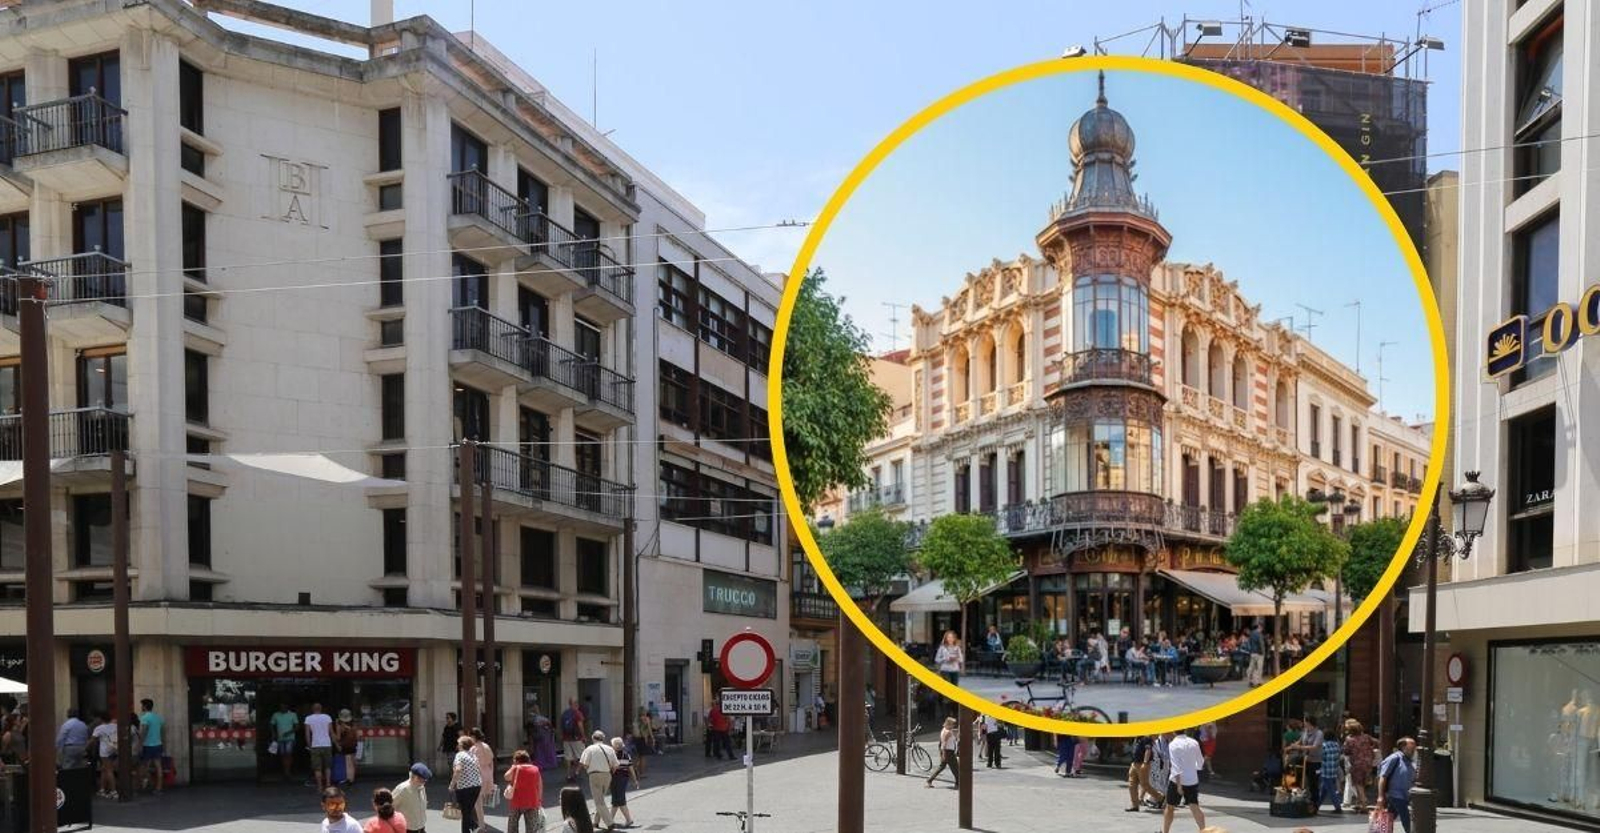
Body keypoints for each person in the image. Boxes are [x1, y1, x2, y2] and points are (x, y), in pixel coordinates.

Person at [1161, 731, 1206, 833]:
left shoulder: (1173, 744)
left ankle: (1165, 832)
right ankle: (1204, 830)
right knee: (1195, 807)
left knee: (1170, 807)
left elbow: (1175, 766)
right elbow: (1200, 761)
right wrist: (1193, 769)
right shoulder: (1194, 742)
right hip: (1192, 780)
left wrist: (1179, 785)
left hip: (1176, 781)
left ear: (1174, 732)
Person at [578, 730, 618, 830]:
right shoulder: (610, 749)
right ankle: (595, 822)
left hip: (594, 774)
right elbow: (616, 765)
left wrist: (588, 770)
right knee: (601, 799)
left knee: (599, 801)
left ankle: (610, 823)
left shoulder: (589, 749)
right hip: (607, 774)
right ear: (603, 738)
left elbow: (585, 764)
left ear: (593, 738)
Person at [1376, 737, 1417, 833]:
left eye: (1414, 747)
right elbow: (1383, 776)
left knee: (1389, 816)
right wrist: (1380, 796)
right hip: (1395, 794)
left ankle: (1381, 831)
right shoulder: (1394, 758)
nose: (1413, 750)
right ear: (1403, 747)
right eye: (1411, 747)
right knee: (1405, 817)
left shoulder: (1409, 760)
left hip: (1404, 795)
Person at [503, 749, 544, 833]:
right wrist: (539, 799)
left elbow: (506, 777)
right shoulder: (535, 769)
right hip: (532, 801)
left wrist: (513, 767)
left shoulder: (516, 768)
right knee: (531, 828)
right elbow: (539, 785)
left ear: (516, 760)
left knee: (512, 826)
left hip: (517, 802)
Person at [448, 735, 483, 833]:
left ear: (462, 745)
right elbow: (479, 770)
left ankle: (475, 827)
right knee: (467, 811)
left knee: (465, 811)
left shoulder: (459, 755)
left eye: (459, 743)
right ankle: (471, 828)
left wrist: (452, 784)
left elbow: (458, 770)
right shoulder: (473, 755)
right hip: (476, 786)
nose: (457, 745)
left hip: (464, 787)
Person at [1343, 721, 1377, 813]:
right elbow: (1376, 742)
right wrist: (1370, 750)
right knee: (1363, 783)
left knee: (1358, 784)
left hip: (1356, 764)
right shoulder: (1366, 737)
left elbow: (1346, 751)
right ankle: (1359, 803)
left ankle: (1364, 804)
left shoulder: (1349, 739)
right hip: (1368, 762)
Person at [1126, 735, 1163, 811]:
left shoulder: (1146, 738)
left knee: (1144, 785)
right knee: (1131, 784)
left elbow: (1148, 750)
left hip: (1142, 764)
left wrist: (1145, 763)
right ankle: (1134, 805)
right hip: (1135, 763)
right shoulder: (1137, 737)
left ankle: (1160, 797)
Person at [392, 763, 430, 833]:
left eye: (425, 781)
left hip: (421, 827)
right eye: (421, 780)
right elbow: (390, 807)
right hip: (407, 829)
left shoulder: (421, 787)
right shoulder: (403, 789)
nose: (423, 783)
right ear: (413, 776)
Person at [306, 702, 336, 792]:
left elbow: (307, 734)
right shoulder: (327, 717)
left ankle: (319, 786)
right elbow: (331, 732)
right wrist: (335, 743)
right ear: (321, 709)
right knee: (328, 767)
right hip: (327, 744)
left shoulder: (308, 718)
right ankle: (328, 784)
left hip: (315, 745)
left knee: (317, 768)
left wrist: (309, 745)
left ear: (312, 709)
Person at [138, 699, 165, 794]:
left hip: (147, 745)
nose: (141, 707)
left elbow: (144, 731)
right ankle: (158, 787)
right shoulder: (158, 717)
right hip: (158, 744)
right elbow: (162, 731)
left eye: (142, 705)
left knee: (145, 766)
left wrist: (140, 744)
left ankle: (145, 783)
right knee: (158, 766)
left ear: (145, 706)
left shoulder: (144, 718)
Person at [609, 737, 636, 829]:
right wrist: (635, 780)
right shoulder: (626, 754)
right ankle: (610, 820)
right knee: (616, 799)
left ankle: (628, 819)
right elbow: (631, 768)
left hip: (615, 778)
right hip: (624, 778)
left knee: (619, 799)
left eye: (612, 745)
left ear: (615, 746)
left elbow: (612, 768)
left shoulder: (612, 755)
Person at [926, 716, 959, 789]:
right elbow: (944, 743)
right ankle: (958, 783)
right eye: (953, 724)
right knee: (955, 768)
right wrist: (943, 753)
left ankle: (929, 780)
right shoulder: (947, 732)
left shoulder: (944, 730)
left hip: (947, 751)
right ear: (949, 724)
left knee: (942, 767)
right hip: (948, 752)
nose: (954, 726)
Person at [91, 711, 118, 798]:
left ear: (101, 719)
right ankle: (102, 789)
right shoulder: (115, 726)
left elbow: (93, 739)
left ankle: (113, 792)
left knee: (109, 770)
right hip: (114, 750)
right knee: (104, 769)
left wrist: (85, 748)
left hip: (105, 752)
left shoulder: (99, 728)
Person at [559, 699, 587, 781]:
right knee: (583, 756)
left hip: (566, 739)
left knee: (568, 757)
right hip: (577, 738)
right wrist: (583, 736)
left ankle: (568, 775)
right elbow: (580, 726)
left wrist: (562, 736)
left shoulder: (565, 713)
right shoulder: (577, 713)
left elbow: (561, 726)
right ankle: (576, 772)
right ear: (575, 704)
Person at [1319, 728, 1345, 814]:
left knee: (1331, 790)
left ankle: (1338, 807)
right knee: (1324, 789)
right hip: (1334, 770)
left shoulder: (1324, 746)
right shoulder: (1336, 745)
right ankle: (1317, 804)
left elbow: (1321, 757)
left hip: (1325, 771)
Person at [271, 703, 299, 783]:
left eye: (284, 707)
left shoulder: (293, 715)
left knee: (288, 754)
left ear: (287, 707)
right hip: (280, 739)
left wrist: (289, 732)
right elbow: (271, 724)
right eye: (281, 707)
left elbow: (297, 726)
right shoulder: (276, 715)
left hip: (290, 738)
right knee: (283, 755)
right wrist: (273, 733)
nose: (282, 708)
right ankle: (286, 771)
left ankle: (287, 772)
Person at [337, 709, 362, 787]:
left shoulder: (340, 726)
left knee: (348, 763)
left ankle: (349, 780)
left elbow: (338, 737)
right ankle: (352, 778)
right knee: (353, 762)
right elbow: (358, 736)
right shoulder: (354, 725)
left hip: (346, 746)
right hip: (353, 745)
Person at [1246, 621, 1265, 686]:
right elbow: (1261, 644)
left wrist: (1250, 651)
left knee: (1252, 667)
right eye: (1262, 628)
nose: (1262, 629)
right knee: (1259, 668)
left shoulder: (1252, 633)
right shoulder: (1259, 634)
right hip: (1259, 653)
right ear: (1260, 627)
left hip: (1252, 653)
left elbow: (1249, 642)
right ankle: (1258, 681)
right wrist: (1263, 652)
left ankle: (1250, 681)